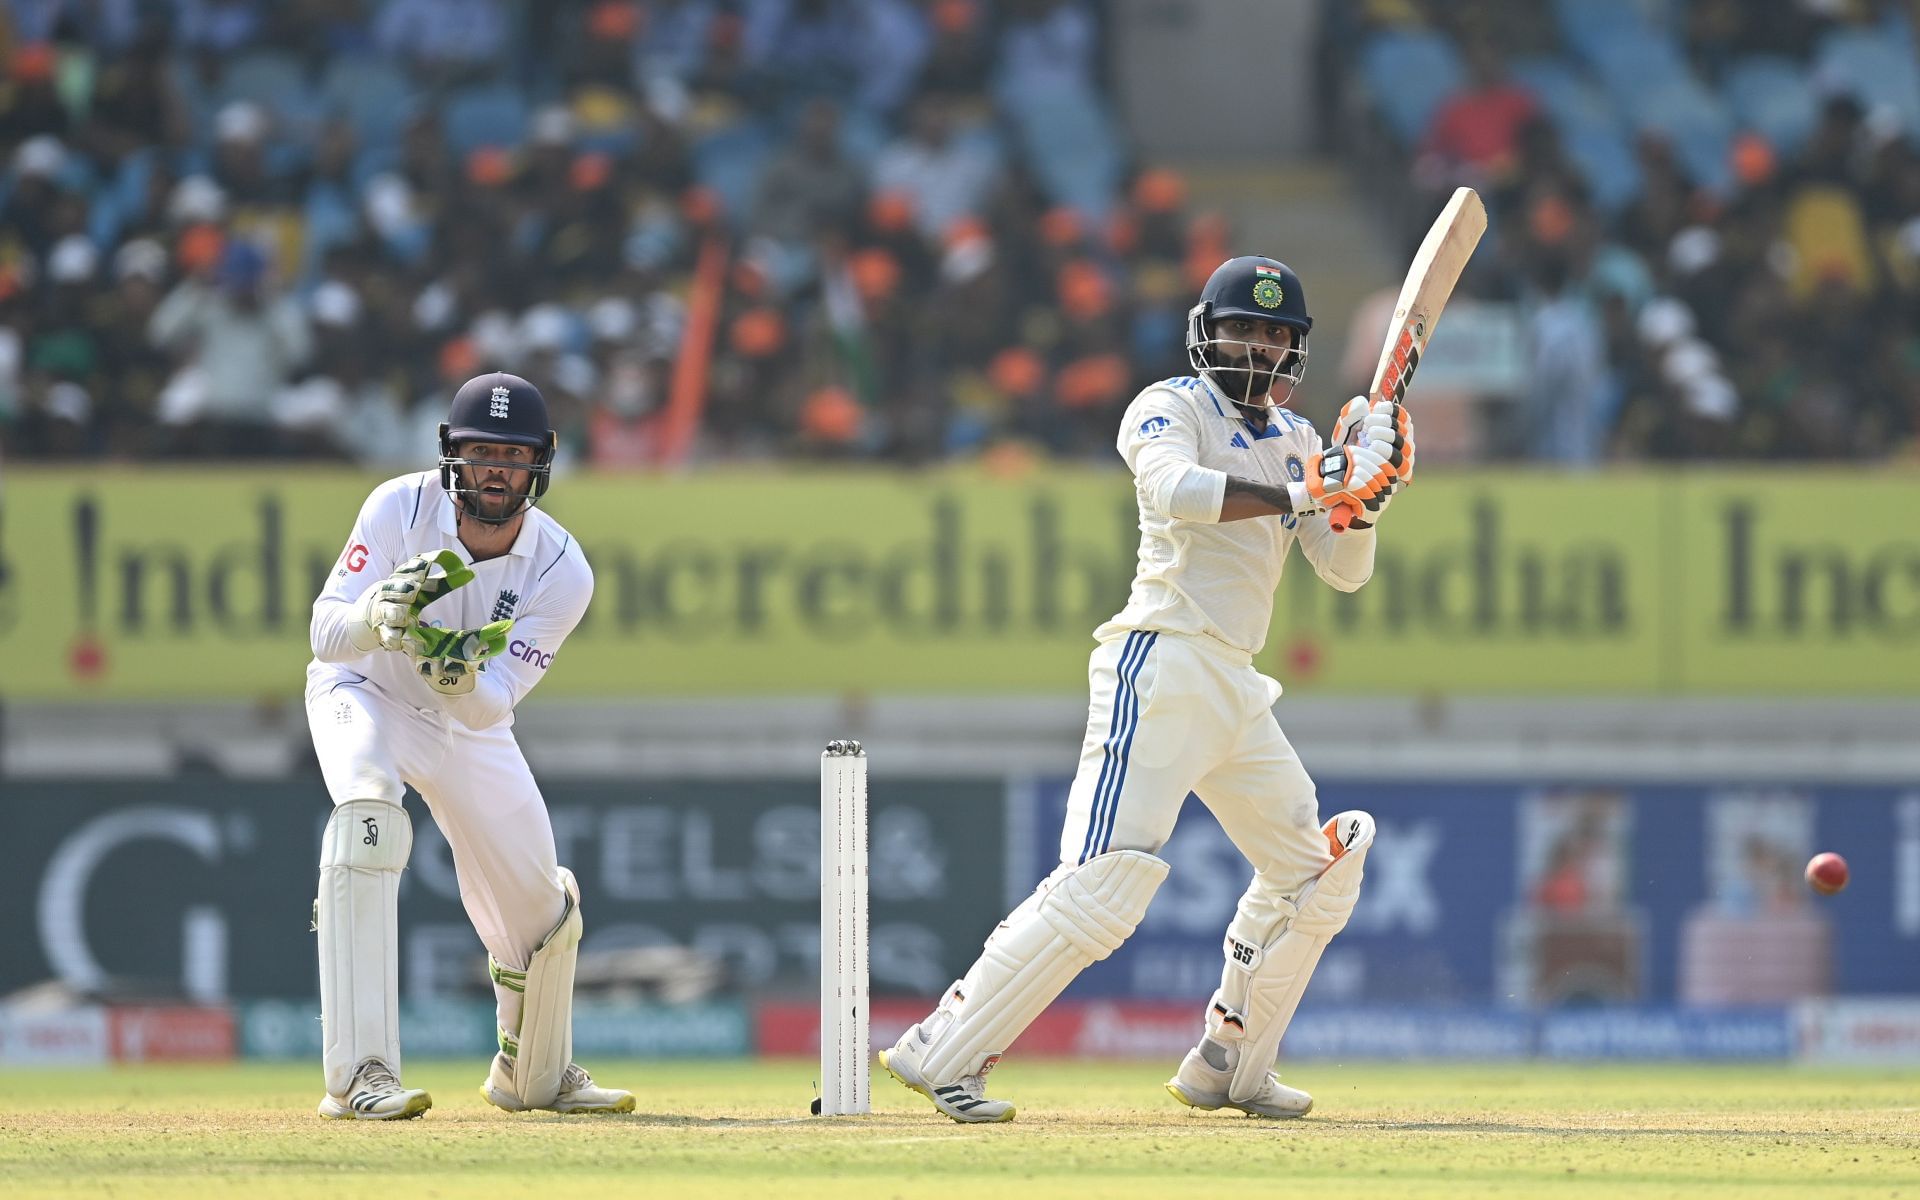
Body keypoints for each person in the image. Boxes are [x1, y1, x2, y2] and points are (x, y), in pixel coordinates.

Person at [878, 257, 1414, 1122]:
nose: (1259, 345)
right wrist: (1313, 485)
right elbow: (1175, 492)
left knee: (1314, 870)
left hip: (1236, 682)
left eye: (1277, 334)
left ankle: (1228, 1062)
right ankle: (942, 1051)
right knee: (1104, 885)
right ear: (1208, 332)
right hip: (1161, 659)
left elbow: (1342, 571)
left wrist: (1365, 505)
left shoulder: (1301, 438)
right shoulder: (1169, 405)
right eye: (1244, 327)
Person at [306, 371, 632, 1119]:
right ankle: (361, 1076)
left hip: (459, 720)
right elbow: (326, 635)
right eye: (481, 451)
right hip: (363, 692)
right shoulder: (398, 505)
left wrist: (450, 674)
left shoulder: (562, 570)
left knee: (539, 906)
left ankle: (534, 1075)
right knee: (368, 813)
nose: (495, 470)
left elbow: (493, 706)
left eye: (512, 456)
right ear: (451, 454)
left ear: (540, 464)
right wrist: (374, 617)